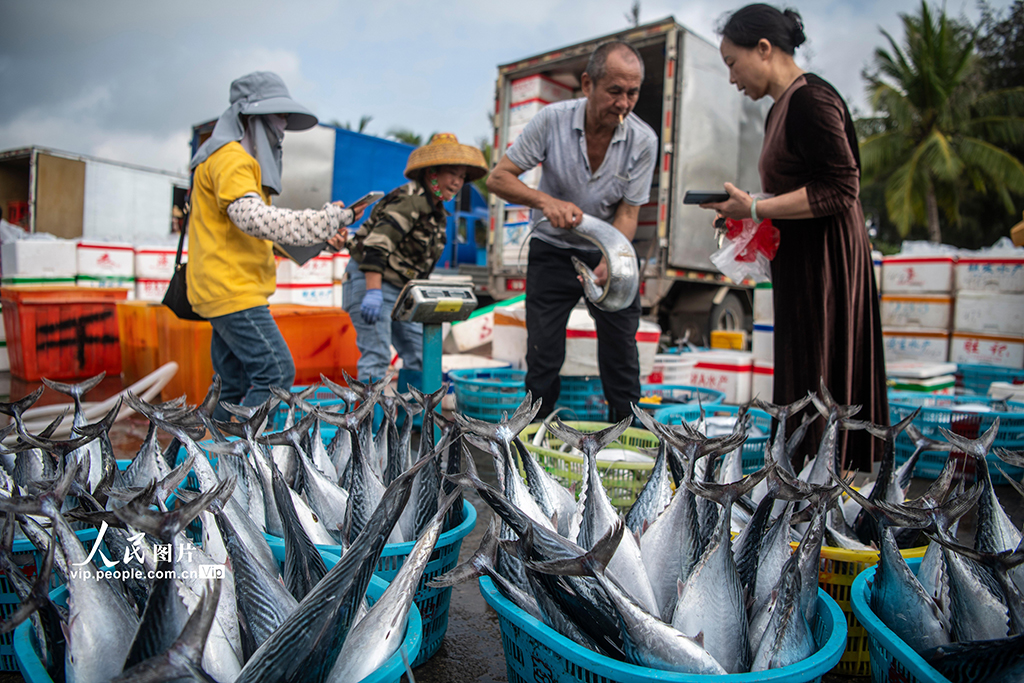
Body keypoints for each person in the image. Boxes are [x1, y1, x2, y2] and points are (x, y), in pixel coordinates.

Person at [704, 4, 888, 471]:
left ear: (763, 49)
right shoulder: (778, 112)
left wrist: (754, 206)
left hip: (826, 265)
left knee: (821, 374)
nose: (732, 78)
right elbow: (793, 193)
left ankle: (829, 483)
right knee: (801, 376)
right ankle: (803, 483)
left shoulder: (811, 100)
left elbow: (842, 187)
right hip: (801, 262)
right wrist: (747, 216)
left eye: (732, 62)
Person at [486, 41, 657, 423]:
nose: (624, 104)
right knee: (543, 355)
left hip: (608, 250)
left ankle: (625, 436)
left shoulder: (644, 140)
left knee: (621, 353)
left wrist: (612, 260)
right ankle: (534, 436)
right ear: (587, 84)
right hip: (551, 248)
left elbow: (629, 214)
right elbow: (498, 178)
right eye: (614, 91)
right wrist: (546, 202)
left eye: (632, 93)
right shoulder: (552, 121)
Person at [187, 71, 365, 421]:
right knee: (276, 374)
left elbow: (253, 234)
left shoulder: (234, 161)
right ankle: (244, 455)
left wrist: (319, 240)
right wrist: (327, 219)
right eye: (278, 116)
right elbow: (254, 219)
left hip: (225, 289)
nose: (283, 127)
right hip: (232, 290)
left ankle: (219, 459)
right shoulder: (232, 159)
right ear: (252, 118)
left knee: (233, 386)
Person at [343, 133, 487, 391]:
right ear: (432, 172)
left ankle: (409, 425)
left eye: (462, 177)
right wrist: (373, 291)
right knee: (376, 357)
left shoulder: (438, 212)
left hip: (402, 290)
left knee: (421, 355)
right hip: (372, 281)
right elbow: (376, 246)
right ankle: (366, 428)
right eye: (452, 174)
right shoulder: (410, 199)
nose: (457, 182)